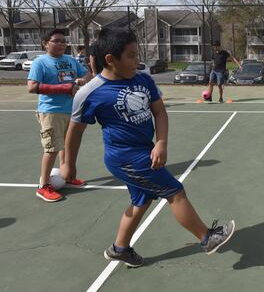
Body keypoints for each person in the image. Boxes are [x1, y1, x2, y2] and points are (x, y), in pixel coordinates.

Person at [64, 28, 235, 267]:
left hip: (145, 150)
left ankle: (120, 248)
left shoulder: (142, 79)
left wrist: (161, 142)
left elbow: (159, 111)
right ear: (111, 60)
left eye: (138, 54)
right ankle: (207, 238)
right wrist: (68, 165)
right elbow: (74, 132)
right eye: (131, 56)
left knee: (141, 201)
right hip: (124, 157)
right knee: (175, 192)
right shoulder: (90, 93)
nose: (138, 61)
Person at [27, 29, 91, 202]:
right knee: (53, 148)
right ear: (45, 43)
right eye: (57, 41)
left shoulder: (70, 60)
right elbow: (32, 87)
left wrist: (82, 79)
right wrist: (63, 88)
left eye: (64, 41)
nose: (61, 44)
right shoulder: (40, 62)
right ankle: (43, 186)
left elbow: (87, 73)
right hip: (51, 111)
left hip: (71, 110)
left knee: (66, 146)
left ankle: (67, 176)